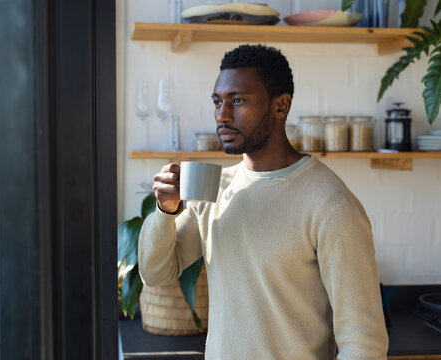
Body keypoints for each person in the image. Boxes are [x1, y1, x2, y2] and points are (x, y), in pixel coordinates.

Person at [138, 44, 388, 359]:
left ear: (281, 106)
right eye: (218, 101)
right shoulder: (215, 189)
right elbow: (156, 273)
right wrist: (165, 211)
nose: (222, 115)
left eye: (238, 100)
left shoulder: (331, 204)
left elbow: (363, 342)